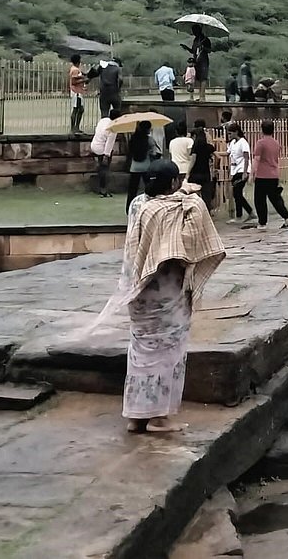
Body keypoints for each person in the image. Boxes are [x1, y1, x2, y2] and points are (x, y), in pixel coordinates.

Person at [109, 159, 226, 434]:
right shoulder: (179, 209)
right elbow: (185, 247)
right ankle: (159, 417)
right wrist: (191, 202)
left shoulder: (139, 205)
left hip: (138, 291)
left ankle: (136, 416)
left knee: (140, 352)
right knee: (168, 354)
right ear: (174, 183)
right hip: (166, 294)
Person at [251, 119, 288, 229]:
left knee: (260, 200)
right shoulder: (276, 143)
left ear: (262, 130)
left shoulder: (260, 143)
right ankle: (286, 217)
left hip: (262, 175)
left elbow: (257, 159)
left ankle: (262, 223)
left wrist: (252, 173)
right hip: (274, 174)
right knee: (275, 198)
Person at [126, 120, 158, 213]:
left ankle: (129, 209)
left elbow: (130, 151)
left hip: (134, 167)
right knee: (150, 188)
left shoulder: (133, 138)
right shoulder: (149, 140)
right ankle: (151, 207)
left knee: (132, 190)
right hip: (146, 167)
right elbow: (154, 152)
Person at [226, 124, 255, 222]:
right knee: (237, 193)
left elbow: (246, 157)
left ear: (236, 132)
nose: (229, 135)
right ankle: (245, 214)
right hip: (235, 170)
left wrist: (245, 172)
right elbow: (227, 153)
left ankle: (246, 213)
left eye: (230, 133)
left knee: (237, 193)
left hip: (242, 169)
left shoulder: (243, 142)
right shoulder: (232, 143)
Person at [90, 107, 120, 197]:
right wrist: (106, 156)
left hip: (94, 144)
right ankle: (103, 190)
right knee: (104, 170)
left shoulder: (103, 120)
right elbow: (109, 144)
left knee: (100, 169)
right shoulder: (113, 128)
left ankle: (100, 188)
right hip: (102, 149)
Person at [187, 128, 217, 209]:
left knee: (194, 195)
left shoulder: (195, 147)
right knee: (206, 196)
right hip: (206, 174)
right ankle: (207, 211)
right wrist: (215, 165)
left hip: (195, 173)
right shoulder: (209, 147)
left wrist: (188, 173)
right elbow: (218, 156)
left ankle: (196, 209)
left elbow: (193, 160)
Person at [187, 25, 212, 101]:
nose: (194, 33)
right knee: (196, 78)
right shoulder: (195, 39)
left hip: (203, 60)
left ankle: (202, 96)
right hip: (196, 60)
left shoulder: (205, 39)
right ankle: (196, 95)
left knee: (203, 78)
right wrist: (187, 48)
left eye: (195, 31)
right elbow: (193, 50)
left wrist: (203, 47)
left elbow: (209, 50)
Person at [67, 53, 87, 135]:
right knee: (77, 109)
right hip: (76, 92)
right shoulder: (75, 70)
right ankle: (74, 128)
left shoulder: (75, 69)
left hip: (78, 91)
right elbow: (74, 81)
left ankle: (76, 128)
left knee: (79, 109)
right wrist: (84, 80)